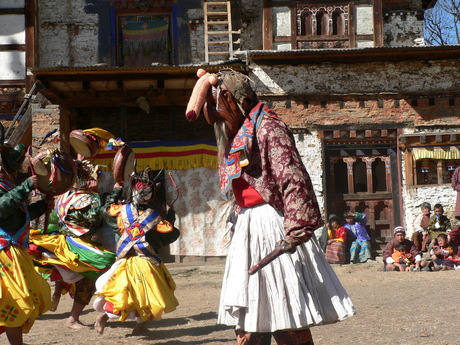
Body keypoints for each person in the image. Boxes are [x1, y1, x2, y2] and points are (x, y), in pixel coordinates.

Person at [185, 68, 355, 345]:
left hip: (271, 224)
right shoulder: (239, 131)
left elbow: (292, 175)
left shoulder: (268, 127)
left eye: (218, 106)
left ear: (230, 98)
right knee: (250, 318)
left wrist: (298, 225)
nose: (216, 116)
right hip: (249, 227)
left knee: (284, 314)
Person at [29, 158, 116, 329]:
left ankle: (57, 293)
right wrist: (101, 195)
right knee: (95, 273)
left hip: (60, 241)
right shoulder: (87, 199)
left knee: (67, 269)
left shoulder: (63, 195)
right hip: (76, 244)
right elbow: (95, 218)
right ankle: (73, 319)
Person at [93, 168, 180, 335]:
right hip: (146, 262)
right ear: (151, 196)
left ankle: (106, 317)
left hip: (124, 261)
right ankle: (139, 325)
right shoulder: (154, 218)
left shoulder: (120, 211)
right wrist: (171, 214)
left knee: (121, 292)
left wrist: (117, 189)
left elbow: (105, 211)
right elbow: (170, 235)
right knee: (147, 295)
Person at [0, 136, 52, 345]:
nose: (18, 169)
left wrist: (40, 207)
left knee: (16, 303)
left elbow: (15, 215)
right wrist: (24, 188)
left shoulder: (6, 186)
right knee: (14, 301)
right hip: (3, 255)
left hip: (13, 255)